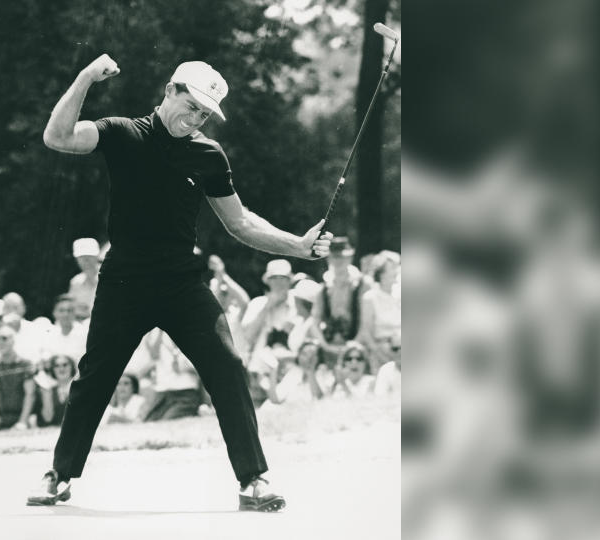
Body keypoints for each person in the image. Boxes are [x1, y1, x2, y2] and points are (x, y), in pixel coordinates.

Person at [29, 54, 332, 512]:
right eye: (190, 106)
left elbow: (241, 223)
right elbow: (58, 137)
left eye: (204, 115)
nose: (194, 119)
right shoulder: (121, 132)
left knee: (228, 365)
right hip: (125, 282)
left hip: (181, 285)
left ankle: (254, 480)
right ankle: (61, 473)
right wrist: (87, 77)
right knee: (95, 379)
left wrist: (298, 246)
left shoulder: (208, 155)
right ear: (169, 91)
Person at [311, 236, 365, 356]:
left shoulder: (361, 285)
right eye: (335, 257)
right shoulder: (323, 288)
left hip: (357, 346)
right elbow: (314, 322)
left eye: (342, 257)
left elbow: (366, 323)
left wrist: (354, 345)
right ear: (328, 259)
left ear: (350, 258)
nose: (338, 261)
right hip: (329, 344)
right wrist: (325, 345)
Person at [356, 251, 402, 374]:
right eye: (393, 268)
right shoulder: (370, 298)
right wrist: (384, 358)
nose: (397, 271)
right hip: (381, 353)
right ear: (381, 274)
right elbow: (367, 333)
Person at [68, 238, 101, 321]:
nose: (86, 261)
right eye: (81, 257)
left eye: (89, 256)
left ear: (97, 256)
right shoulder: (76, 282)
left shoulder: (109, 279)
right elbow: (71, 309)